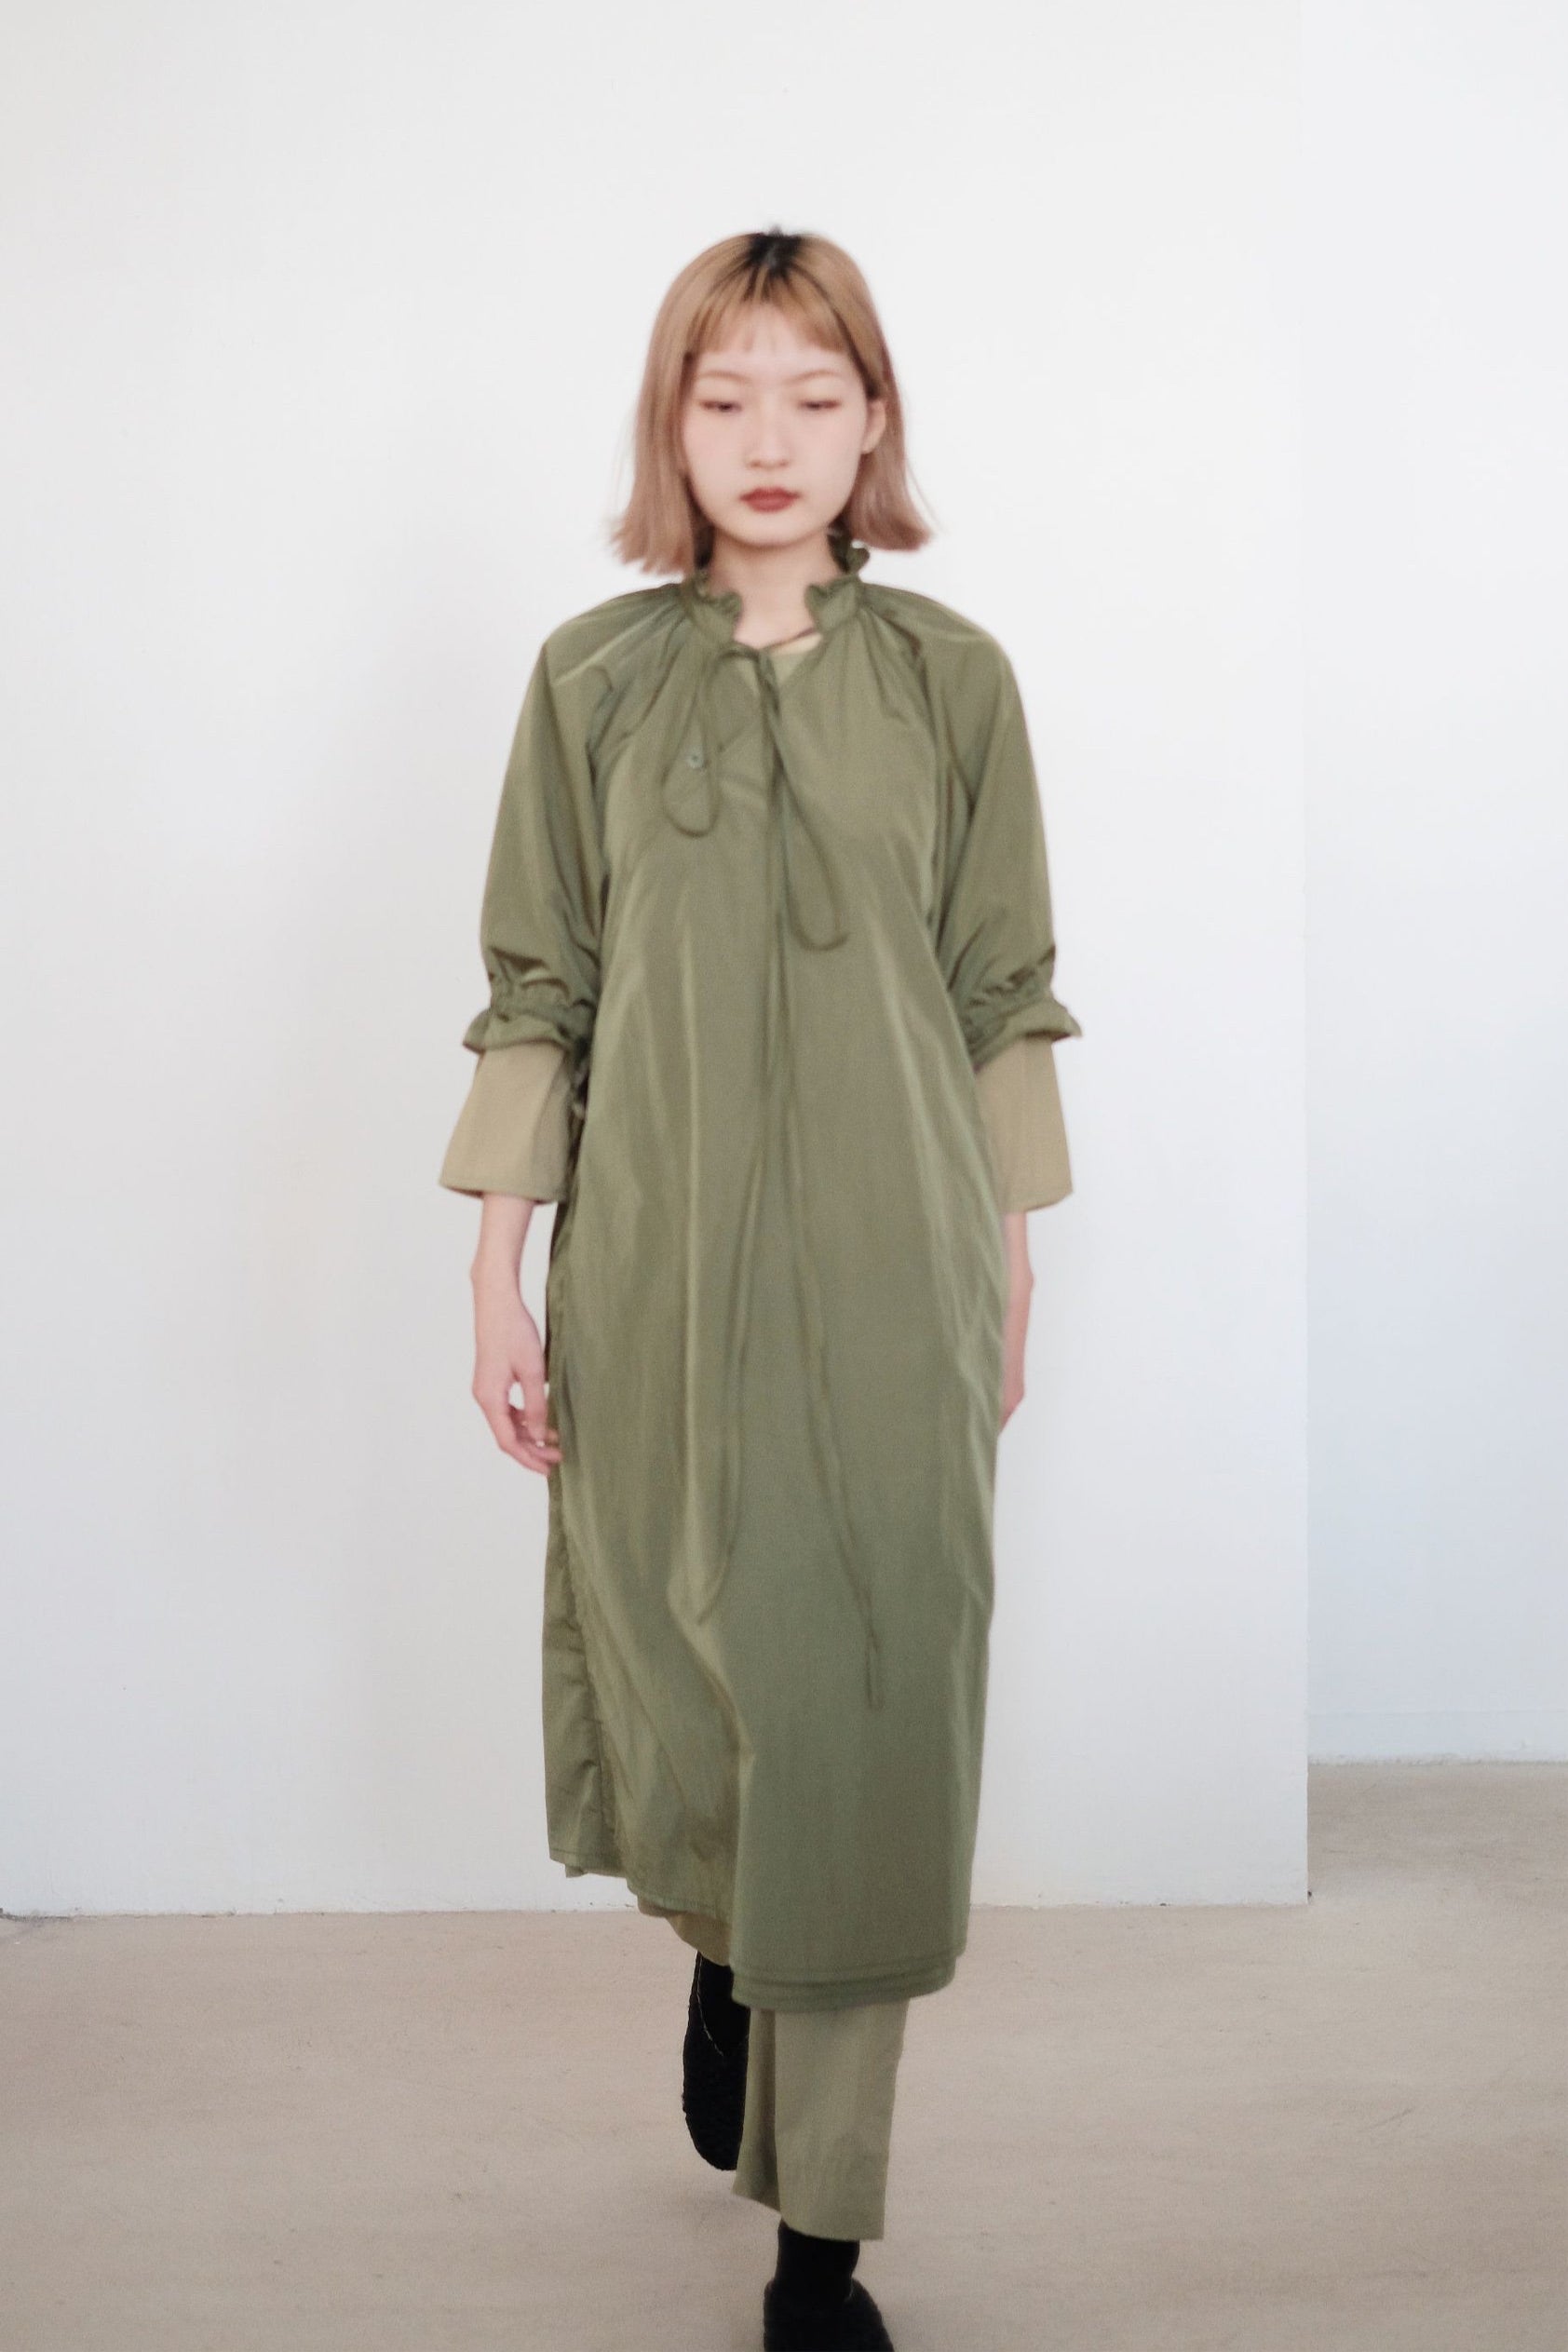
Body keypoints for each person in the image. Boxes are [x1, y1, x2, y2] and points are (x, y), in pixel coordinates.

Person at [439, 227, 1080, 2352]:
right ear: (673, 423)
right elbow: (539, 986)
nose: (772, 439)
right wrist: (496, 1273)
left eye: (816, 394)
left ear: (875, 419)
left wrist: (1008, 1265)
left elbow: (1001, 993)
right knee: (693, 1658)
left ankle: (824, 2244)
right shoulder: (591, 681)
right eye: (727, 397)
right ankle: (730, 1949)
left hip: (899, 1267)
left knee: (875, 1696)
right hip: (654, 1268)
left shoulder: (955, 682)